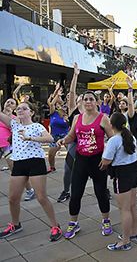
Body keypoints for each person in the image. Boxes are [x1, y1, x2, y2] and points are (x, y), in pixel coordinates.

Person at [0, 102, 62, 241]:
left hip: (35, 162)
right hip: (19, 163)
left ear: (31, 112)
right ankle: (15, 225)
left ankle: (55, 225)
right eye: (18, 108)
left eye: (24, 108)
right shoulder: (14, 125)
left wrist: (31, 138)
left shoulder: (37, 126)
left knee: (41, 197)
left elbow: (50, 138)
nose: (20, 110)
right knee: (12, 198)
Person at [57, 91, 114, 239]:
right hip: (81, 160)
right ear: (81, 102)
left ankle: (106, 220)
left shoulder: (103, 118)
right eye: (85, 99)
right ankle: (73, 223)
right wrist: (63, 140)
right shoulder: (77, 118)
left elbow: (113, 139)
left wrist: (107, 157)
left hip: (98, 161)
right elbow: (71, 136)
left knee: (101, 192)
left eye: (91, 99)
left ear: (97, 102)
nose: (87, 101)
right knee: (76, 193)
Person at [100, 113, 137, 251]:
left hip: (121, 175)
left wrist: (103, 163)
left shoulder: (114, 140)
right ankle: (133, 233)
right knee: (132, 205)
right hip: (134, 171)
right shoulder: (131, 137)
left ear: (111, 125)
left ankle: (125, 241)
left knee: (124, 209)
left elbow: (106, 160)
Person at [57, 63, 83, 203]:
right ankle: (66, 191)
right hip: (74, 143)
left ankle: (104, 190)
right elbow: (72, 92)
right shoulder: (74, 110)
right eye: (78, 99)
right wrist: (75, 75)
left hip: (89, 145)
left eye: (82, 99)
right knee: (68, 170)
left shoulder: (93, 113)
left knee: (96, 171)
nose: (79, 101)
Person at [47, 83, 69, 173]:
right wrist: (57, 93)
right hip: (54, 136)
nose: (57, 106)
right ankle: (52, 167)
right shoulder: (53, 113)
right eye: (56, 105)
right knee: (51, 155)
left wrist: (67, 119)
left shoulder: (67, 114)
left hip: (65, 135)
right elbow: (51, 103)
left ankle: (79, 168)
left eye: (59, 105)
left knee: (73, 153)